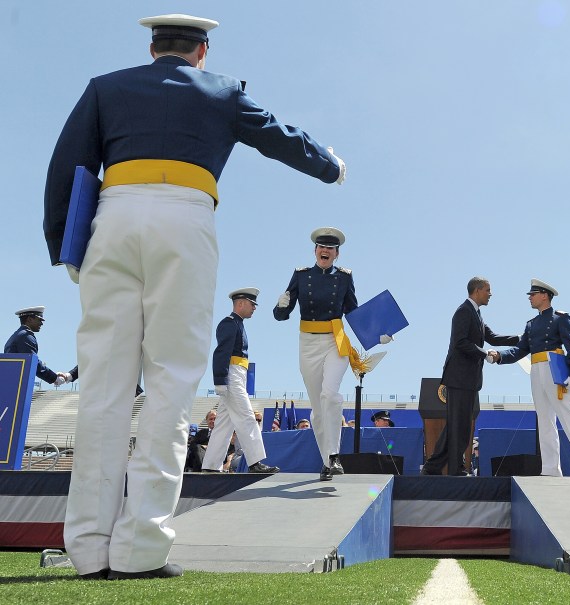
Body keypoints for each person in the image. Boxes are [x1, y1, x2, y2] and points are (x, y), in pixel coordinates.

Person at [44, 14, 345, 581]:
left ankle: (86, 549)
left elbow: (68, 167)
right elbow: (280, 138)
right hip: (185, 221)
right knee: (170, 382)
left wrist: (66, 246)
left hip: (113, 220)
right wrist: (330, 167)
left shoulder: (105, 87)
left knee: (103, 387)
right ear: (202, 52)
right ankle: (140, 549)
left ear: (152, 47)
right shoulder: (225, 90)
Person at [274, 227, 389, 482]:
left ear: (336, 254)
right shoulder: (301, 276)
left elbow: (353, 311)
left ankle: (335, 455)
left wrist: (377, 334)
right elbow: (283, 314)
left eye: (330, 248)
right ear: (315, 250)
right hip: (307, 343)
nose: (324, 251)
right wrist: (280, 307)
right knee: (317, 409)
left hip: (335, 341)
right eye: (320, 247)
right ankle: (327, 461)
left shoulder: (345, 278)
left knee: (330, 394)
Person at [492, 280, 570, 478]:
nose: (530, 297)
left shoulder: (560, 318)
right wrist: (500, 356)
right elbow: (520, 350)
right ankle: (551, 469)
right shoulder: (531, 324)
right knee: (544, 421)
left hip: (554, 369)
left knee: (569, 415)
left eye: (533, 294)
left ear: (544, 295)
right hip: (536, 371)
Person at [421, 277, 518, 477]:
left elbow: (493, 337)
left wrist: (522, 339)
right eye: (488, 290)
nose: (490, 294)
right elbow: (460, 342)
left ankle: (432, 467)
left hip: (469, 380)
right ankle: (456, 469)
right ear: (477, 290)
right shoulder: (464, 311)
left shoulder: (477, 314)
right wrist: (486, 355)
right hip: (459, 378)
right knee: (459, 426)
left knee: (458, 425)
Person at [202, 288, 278, 474]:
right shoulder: (229, 323)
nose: (254, 308)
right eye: (252, 304)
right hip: (232, 374)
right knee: (247, 417)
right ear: (241, 303)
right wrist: (220, 379)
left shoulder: (237, 324)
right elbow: (221, 352)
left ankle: (211, 466)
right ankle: (255, 462)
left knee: (224, 424)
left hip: (237, 374)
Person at [4, 307, 66, 386]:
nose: (41, 323)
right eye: (39, 320)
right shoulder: (25, 336)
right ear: (30, 319)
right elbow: (33, 363)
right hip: (16, 384)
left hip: (11, 381)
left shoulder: (18, 334)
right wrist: (54, 378)